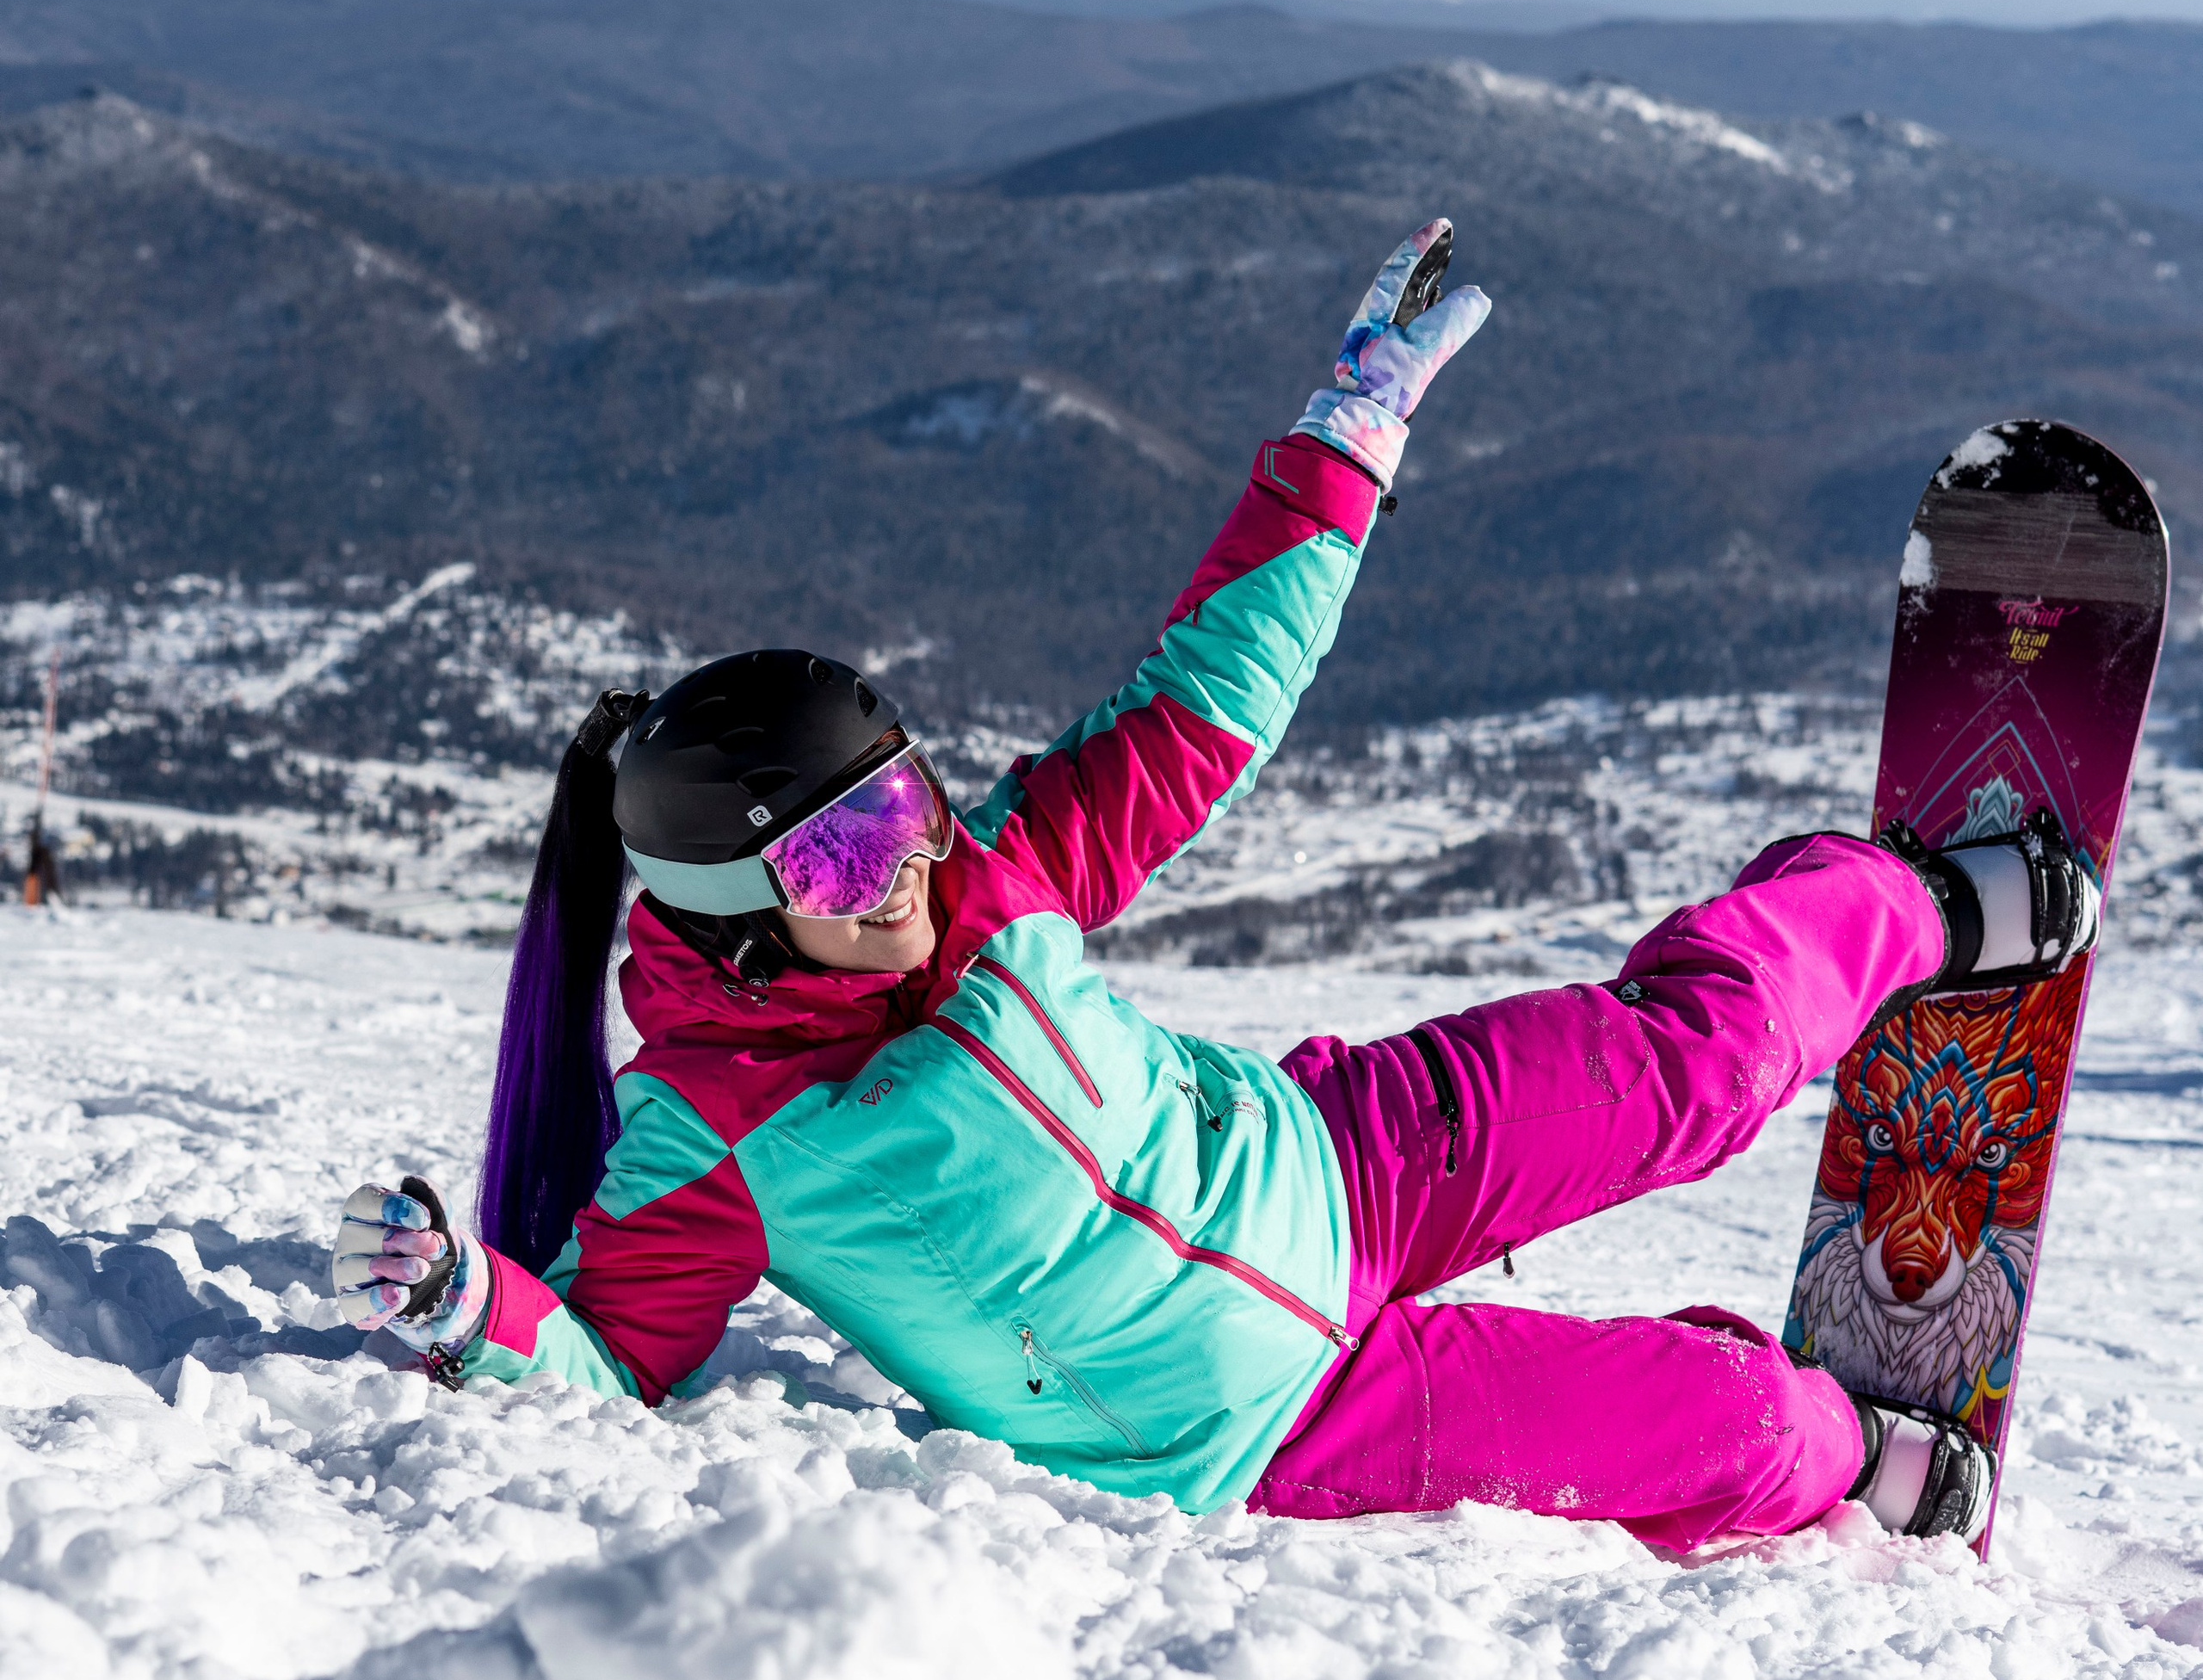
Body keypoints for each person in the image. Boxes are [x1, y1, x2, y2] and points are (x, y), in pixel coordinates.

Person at [332, 228, 2100, 1553]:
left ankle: (1917, 914)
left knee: (1695, 1067)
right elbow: (612, 1362)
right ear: (727, 915)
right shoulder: (700, 1140)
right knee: (1707, 1423)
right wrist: (467, 1314)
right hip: (1267, 1420)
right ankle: (1847, 1456)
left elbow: (1203, 704)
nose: (907, 870)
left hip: (1336, 1154)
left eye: (906, 805)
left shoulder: (985, 882)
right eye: (843, 856)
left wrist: (1341, 442)